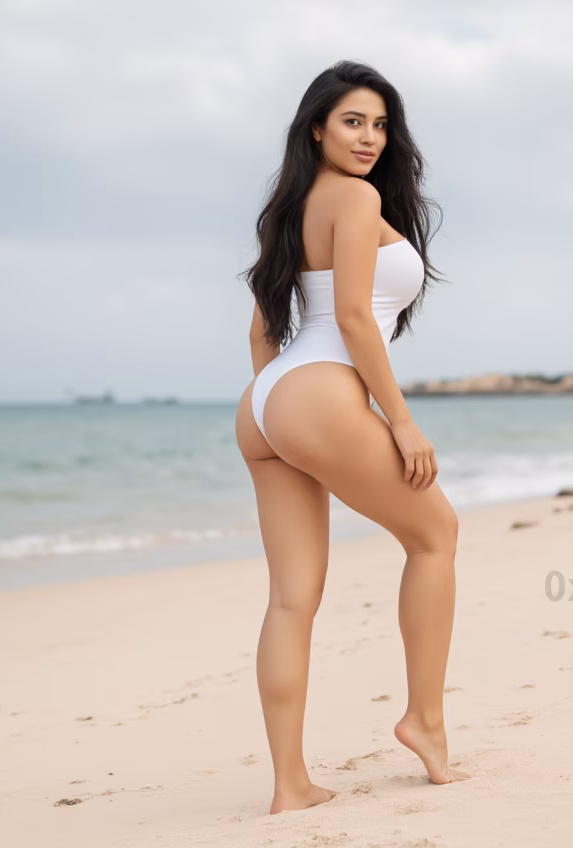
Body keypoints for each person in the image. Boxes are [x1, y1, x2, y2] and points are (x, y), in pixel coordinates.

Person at [234, 60, 469, 816]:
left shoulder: (290, 208)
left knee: (290, 601)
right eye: (352, 122)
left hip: (267, 401)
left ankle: (289, 787)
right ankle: (424, 722)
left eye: (378, 123)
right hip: (322, 389)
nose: (369, 137)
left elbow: (264, 329)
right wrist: (400, 420)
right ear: (317, 127)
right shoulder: (358, 200)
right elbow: (359, 321)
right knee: (436, 535)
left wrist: (277, 407)